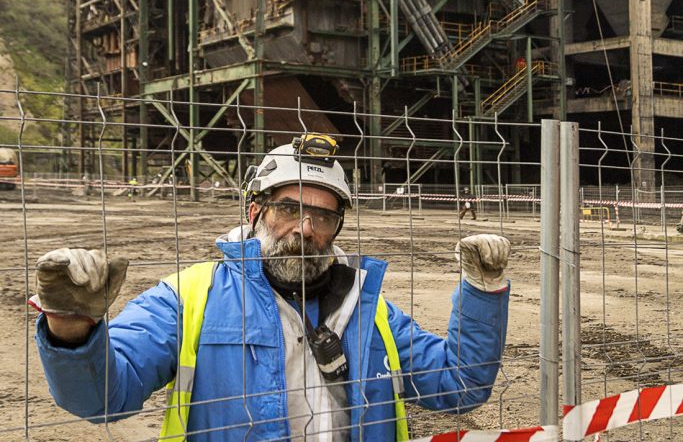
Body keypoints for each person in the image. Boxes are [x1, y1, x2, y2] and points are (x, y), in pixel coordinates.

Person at [31, 133, 511, 442]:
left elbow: (462, 385)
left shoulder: (367, 310)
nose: (305, 228)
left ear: (337, 228)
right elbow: (98, 400)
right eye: (287, 209)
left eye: (323, 215)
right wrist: (72, 326)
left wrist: (482, 291)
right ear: (254, 213)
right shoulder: (189, 298)